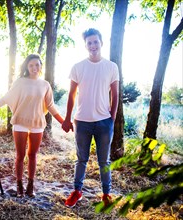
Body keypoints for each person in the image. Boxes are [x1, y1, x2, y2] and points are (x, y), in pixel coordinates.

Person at [0, 54, 64, 198]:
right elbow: (5, 99)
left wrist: (63, 122)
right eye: (31, 65)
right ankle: (19, 184)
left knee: (32, 155)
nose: (34, 68)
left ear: (41, 66)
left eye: (37, 65)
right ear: (27, 67)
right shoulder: (20, 82)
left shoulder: (45, 85)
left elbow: (50, 106)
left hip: (37, 123)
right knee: (20, 155)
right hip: (20, 122)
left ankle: (30, 184)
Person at [62, 28, 119, 207]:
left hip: (104, 121)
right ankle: (77, 192)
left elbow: (115, 95)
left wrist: (112, 119)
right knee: (81, 159)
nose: (93, 45)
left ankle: (106, 194)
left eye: (95, 42)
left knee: (104, 160)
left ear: (101, 43)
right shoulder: (78, 67)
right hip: (82, 121)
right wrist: (67, 118)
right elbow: (71, 94)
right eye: (89, 43)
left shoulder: (111, 67)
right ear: (86, 45)